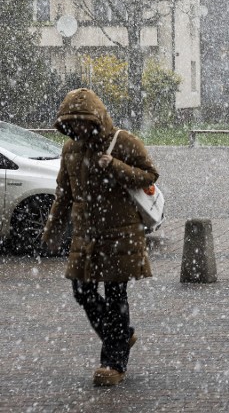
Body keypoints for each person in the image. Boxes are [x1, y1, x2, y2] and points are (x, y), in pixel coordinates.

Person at [41, 88, 158, 387]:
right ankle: (121, 334)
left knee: (116, 294)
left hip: (120, 233)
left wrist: (115, 166)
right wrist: (52, 230)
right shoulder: (70, 149)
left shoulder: (123, 141)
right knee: (82, 291)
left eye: (83, 121)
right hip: (86, 235)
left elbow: (149, 175)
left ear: (96, 119)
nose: (79, 128)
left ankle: (113, 363)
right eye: (73, 123)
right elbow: (64, 193)